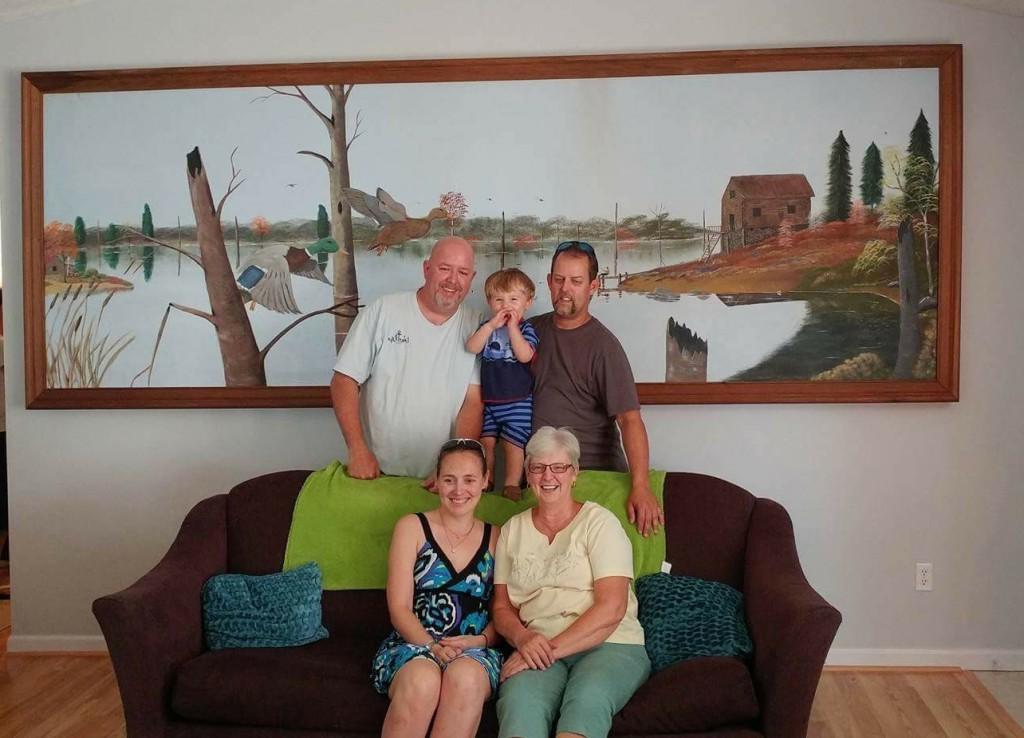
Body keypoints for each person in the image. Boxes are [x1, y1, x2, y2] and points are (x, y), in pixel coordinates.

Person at [492, 426, 650, 738]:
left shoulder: (600, 523)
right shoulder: (512, 530)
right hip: (536, 645)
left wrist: (545, 649)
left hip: (609, 644)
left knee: (587, 702)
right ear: (527, 473)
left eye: (559, 467)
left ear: (574, 473)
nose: (547, 476)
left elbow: (612, 607)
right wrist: (523, 639)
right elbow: (501, 607)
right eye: (537, 468)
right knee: (519, 703)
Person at [531, 240, 663, 535]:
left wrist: (640, 487)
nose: (566, 289)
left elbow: (630, 420)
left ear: (592, 286)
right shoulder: (529, 333)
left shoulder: (604, 346)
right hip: (542, 476)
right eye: (560, 280)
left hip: (591, 475)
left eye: (576, 281)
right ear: (550, 282)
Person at [372, 438, 503, 738]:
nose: (459, 490)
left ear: (485, 481)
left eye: (469, 480)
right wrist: (431, 646)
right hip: (413, 643)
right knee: (422, 680)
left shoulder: (498, 537)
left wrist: (478, 642)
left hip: (475, 650)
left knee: (465, 678)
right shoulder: (411, 527)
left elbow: (505, 611)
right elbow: (399, 608)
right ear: (437, 482)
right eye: (449, 480)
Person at [331, 237, 483, 483]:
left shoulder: (478, 325)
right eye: (444, 269)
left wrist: (454, 466)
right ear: (426, 269)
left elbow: (473, 402)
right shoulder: (383, 310)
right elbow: (344, 380)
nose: (453, 281)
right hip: (377, 472)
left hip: (441, 482)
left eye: (462, 272)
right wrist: (357, 450)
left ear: (471, 278)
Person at [465, 268, 539, 500]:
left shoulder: (526, 329)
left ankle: (511, 485)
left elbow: (525, 355)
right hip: (490, 401)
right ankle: (487, 480)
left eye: (513, 300)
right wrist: (489, 327)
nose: (506, 306)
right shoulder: (488, 328)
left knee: (513, 444)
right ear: (489, 302)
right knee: (485, 442)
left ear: (527, 303)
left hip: (518, 401)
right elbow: (472, 347)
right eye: (499, 300)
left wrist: (513, 328)